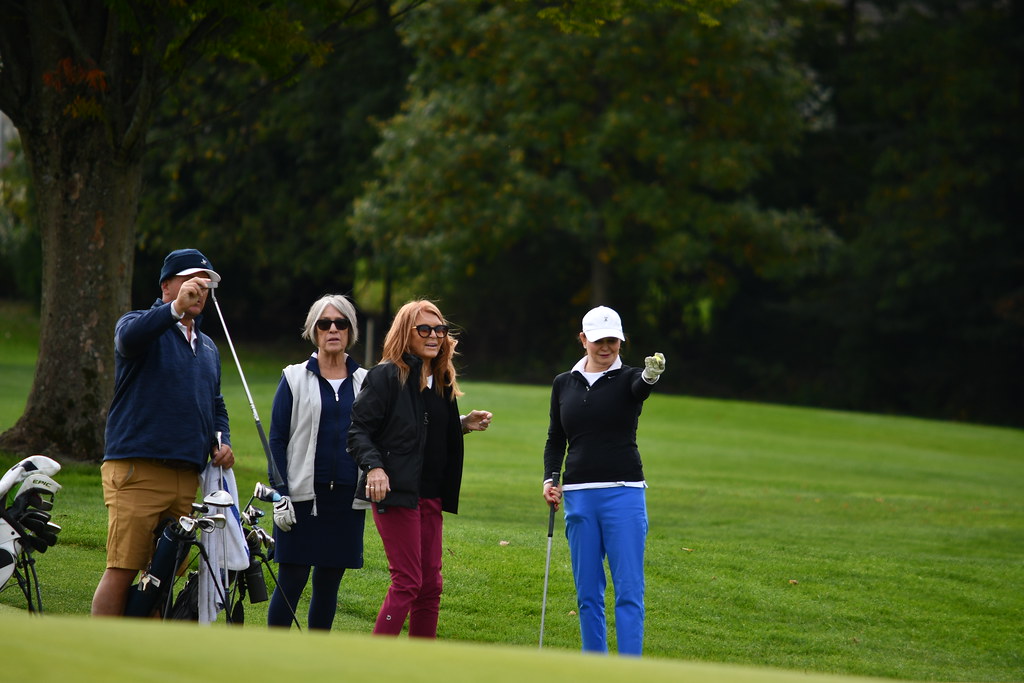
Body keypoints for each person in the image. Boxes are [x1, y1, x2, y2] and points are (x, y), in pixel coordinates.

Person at [92, 248, 234, 616]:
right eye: (191, 281)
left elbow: (215, 403)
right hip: (138, 470)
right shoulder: (138, 324)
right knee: (123, 568)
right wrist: (172, 311)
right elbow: (129, 340)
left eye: (206, 285)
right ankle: (94, 655)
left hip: (186, 477)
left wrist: (223, 438)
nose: (199, 290)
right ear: (167, 285)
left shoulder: (207, 349)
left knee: (162, 576)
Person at [347, 299, 493, 638]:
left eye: (439, 329)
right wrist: (374, 469)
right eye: (424, 329)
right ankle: (375, 663)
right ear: (405, 333)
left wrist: (461, 424)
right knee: (408, 582)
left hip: (430, 496)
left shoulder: (441, 380)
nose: (434, 336)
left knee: (431, 585)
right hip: (396, 493)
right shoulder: (386, 376)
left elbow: (417, 428)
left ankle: (421, 664)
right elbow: (358, 431)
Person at [541, 305, 666, 656]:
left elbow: (641, 387)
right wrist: (550, 479)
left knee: (628, 591)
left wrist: (651, 376)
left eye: (612, 341)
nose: (606, 347)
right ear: (583, 340)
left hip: (623, 494)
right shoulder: (563, 383)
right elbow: (555, 439)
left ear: (621, 342)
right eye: (598, 340)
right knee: (587, 593)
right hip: (579, 496)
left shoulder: (629, 378)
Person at [266, 294, 368, 630]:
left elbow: (394, 429)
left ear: (351, 331)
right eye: (325, 323)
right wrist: (280, 493)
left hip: (345, 501)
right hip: (300, 498)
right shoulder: (293, 377)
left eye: (341, 323)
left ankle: (315, 661)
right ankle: (272, 660)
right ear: (314, 331)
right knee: (292, 579)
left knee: (328, 585)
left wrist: (458, 424)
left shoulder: (365, 381)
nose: (333, 329)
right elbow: (277, 439)